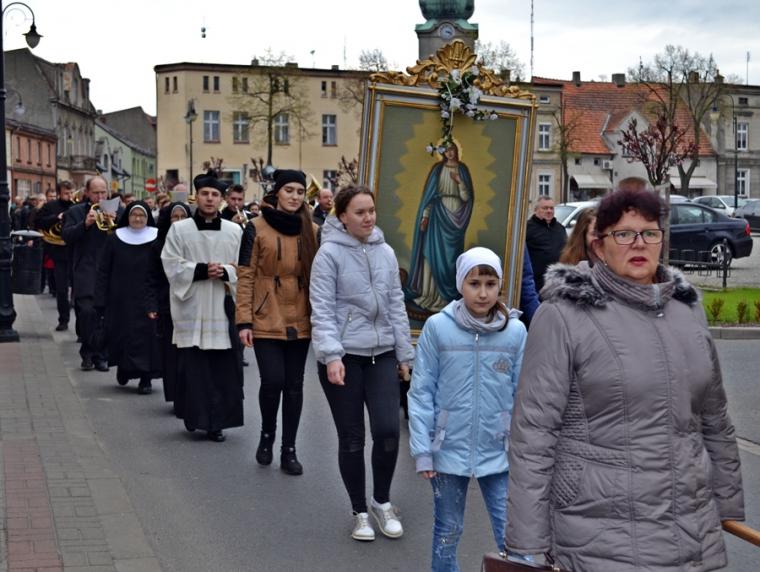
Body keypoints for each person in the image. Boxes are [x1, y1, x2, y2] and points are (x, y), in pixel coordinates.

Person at [506, 180, 745, 571]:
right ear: (599, 246)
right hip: (601, 535)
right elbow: (533, 434)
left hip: (692, 529)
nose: (639, 244)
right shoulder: (564, 315)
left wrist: (727, 504)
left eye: (649, 233)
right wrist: (527, 543)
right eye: (624, 234)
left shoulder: (687, 312)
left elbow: (715, 419)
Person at [408, 247, 527, 572]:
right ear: (461, 284)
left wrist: (524, 448)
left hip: (500, 450)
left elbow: (523, 394)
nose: (483, 293)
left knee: (514, 534)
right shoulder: (438, 327)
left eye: (491, 284)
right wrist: (423, 450)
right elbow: (422, 391)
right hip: (448, 448)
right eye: (474, 284)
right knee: (448, 529)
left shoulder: (515, 332)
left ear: (500, 285)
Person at [310, 184, 414, 542]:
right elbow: (322, 309)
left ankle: (381, 502)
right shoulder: (328, 255)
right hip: (344, 357)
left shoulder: (385, 252)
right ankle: (359, 512)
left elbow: (396, 305)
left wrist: (404, 354)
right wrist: (331, 355)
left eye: (371, 210)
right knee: (352, 437)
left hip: (381, 354)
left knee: (387, 432)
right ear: (343, 217)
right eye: (360, 212)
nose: (368, 217)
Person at [237, 169, 319, 476]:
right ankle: (267, 434)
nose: (295, 196)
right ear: (277, 192)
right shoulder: (255, 227)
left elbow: (322, 277)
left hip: (300, 314)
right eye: (289, 190)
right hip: (265, 312)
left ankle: (289, 449)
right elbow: (246, 275)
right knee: (272, 381)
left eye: (300, 191)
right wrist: (244, 321)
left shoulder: (313, 229)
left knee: (294, 386)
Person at [161, 170, 244, 442]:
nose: (210, 199)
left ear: (221, 199)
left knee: (221, 370)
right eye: (205, 194)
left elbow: (245, 268)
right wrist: (200, 270)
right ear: (196, 197)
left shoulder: (235, 231)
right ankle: (194, 416)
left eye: (215, 194)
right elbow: (170, 263)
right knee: (194, 368)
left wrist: (225, 272)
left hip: (221, 306)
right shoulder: (179, 229)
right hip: (192, 306)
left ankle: (216, 423)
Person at [95, 201, 160, 394]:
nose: (137, 218)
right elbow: (104, 270)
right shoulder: (115, 239)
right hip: (120, 297)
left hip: (147, 295)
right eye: (134, 215)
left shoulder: (156, 238)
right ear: (127, 217)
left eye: (141, 215)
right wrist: (101, 299)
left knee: (147, 337)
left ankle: (146, 378)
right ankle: (124, 368)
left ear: (148, 218)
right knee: (122, 335)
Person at [405, 143, 474, 312]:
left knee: (450, 259)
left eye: (452, 150)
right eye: (447, 150)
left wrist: (459, 182)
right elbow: (430, 196)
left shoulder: (462, 170)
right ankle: (429, 295)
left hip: (456, 219)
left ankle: (445, 298)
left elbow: (467, 198)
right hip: (437, 215)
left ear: (456, 151)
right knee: (431, 253)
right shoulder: (438, 169)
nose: (450, 153)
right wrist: (425, 216)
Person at [61, 176, 113, 372]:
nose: (100, 197)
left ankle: (100, 356)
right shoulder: (75, 212)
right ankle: (88, 352)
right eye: (96, 193)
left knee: (105, 315)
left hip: (108, 270)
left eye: (103, 192)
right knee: (87, 313)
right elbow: (67, 236)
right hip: (85, 269)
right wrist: (85, 224)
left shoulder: (117, 210)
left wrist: (116, 222)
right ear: (87, 193)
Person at [146, 202, 192, 404]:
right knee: (171, 352)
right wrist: (152, 304)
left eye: (183, 217)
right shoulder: (158, 245)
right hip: (167, 304)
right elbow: (151, 278)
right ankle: (175, 395)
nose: (179, 221)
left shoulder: (194, 242)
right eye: (175, 217)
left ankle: (189, 394)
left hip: (191, 302)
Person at [35, 180, 75, 331]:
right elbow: (38, 222)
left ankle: (81, 327)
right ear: (59, 193)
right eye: (66, 193)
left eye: (71, 192)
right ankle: (63, 320)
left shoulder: (78, 206)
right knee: (61, 289)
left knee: (79, 289)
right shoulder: (50, 206)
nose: (69, 196)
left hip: (76, 251)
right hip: (58, 252)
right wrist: (57, 217)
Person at [525, 194, 567, 293]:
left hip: (559, 283)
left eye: (551, 208)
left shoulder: (560, 229)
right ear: (536, 210)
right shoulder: (527, 229)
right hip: (536, 284)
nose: (549, 211)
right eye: (545, 208)